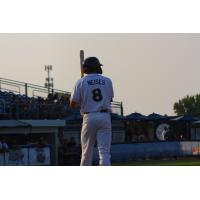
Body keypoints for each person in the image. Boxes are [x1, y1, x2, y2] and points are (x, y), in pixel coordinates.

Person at [70, 56, 114, 166]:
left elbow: (72, 104)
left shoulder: (80, 82)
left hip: (89, 117)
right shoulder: (107, 80)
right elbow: (110, 98)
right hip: (104, 116)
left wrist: (83, 99)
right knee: (104, 152)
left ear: (86, 68)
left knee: (86, 152)